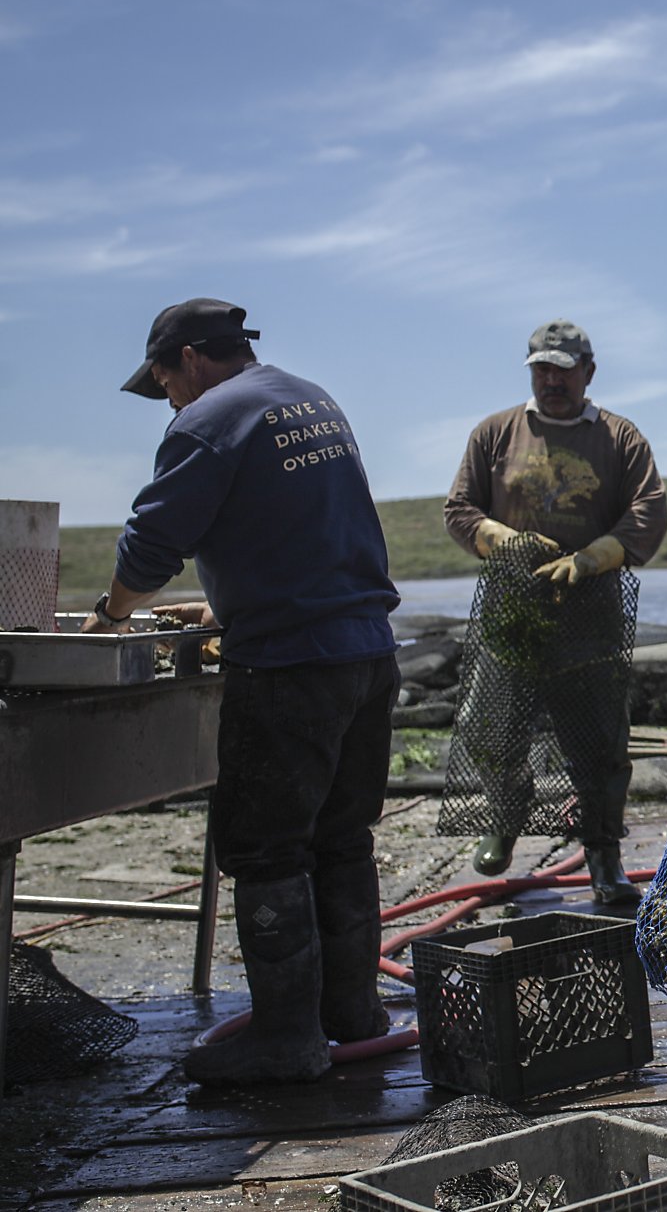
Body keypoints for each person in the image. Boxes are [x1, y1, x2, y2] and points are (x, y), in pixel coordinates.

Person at [83, 297, 401, 1086]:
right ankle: (352, 1015)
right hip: (366, 653)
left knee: (265, 848)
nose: (169, 402)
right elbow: (301, 532)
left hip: (290, 667)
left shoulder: (208, 420)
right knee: (342, 837)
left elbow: (151, 545)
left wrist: (109, 617)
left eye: (164, 384)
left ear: (189, 359)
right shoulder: (309, 399)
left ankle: (287, 1041)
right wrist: (226, 604)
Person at [442, 319, 667, 906]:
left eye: (563, 371)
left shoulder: (619, 438)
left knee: (600, 743)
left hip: (591, 614)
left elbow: (648, 513)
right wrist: (504, 540)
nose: (552, 381)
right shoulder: (495, 433)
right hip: (512, 610)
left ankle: (603, 855)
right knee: (492, 727)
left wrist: (594, 557)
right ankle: (504, 818)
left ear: (588, 372)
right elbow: (460, 510)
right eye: (542, 370)